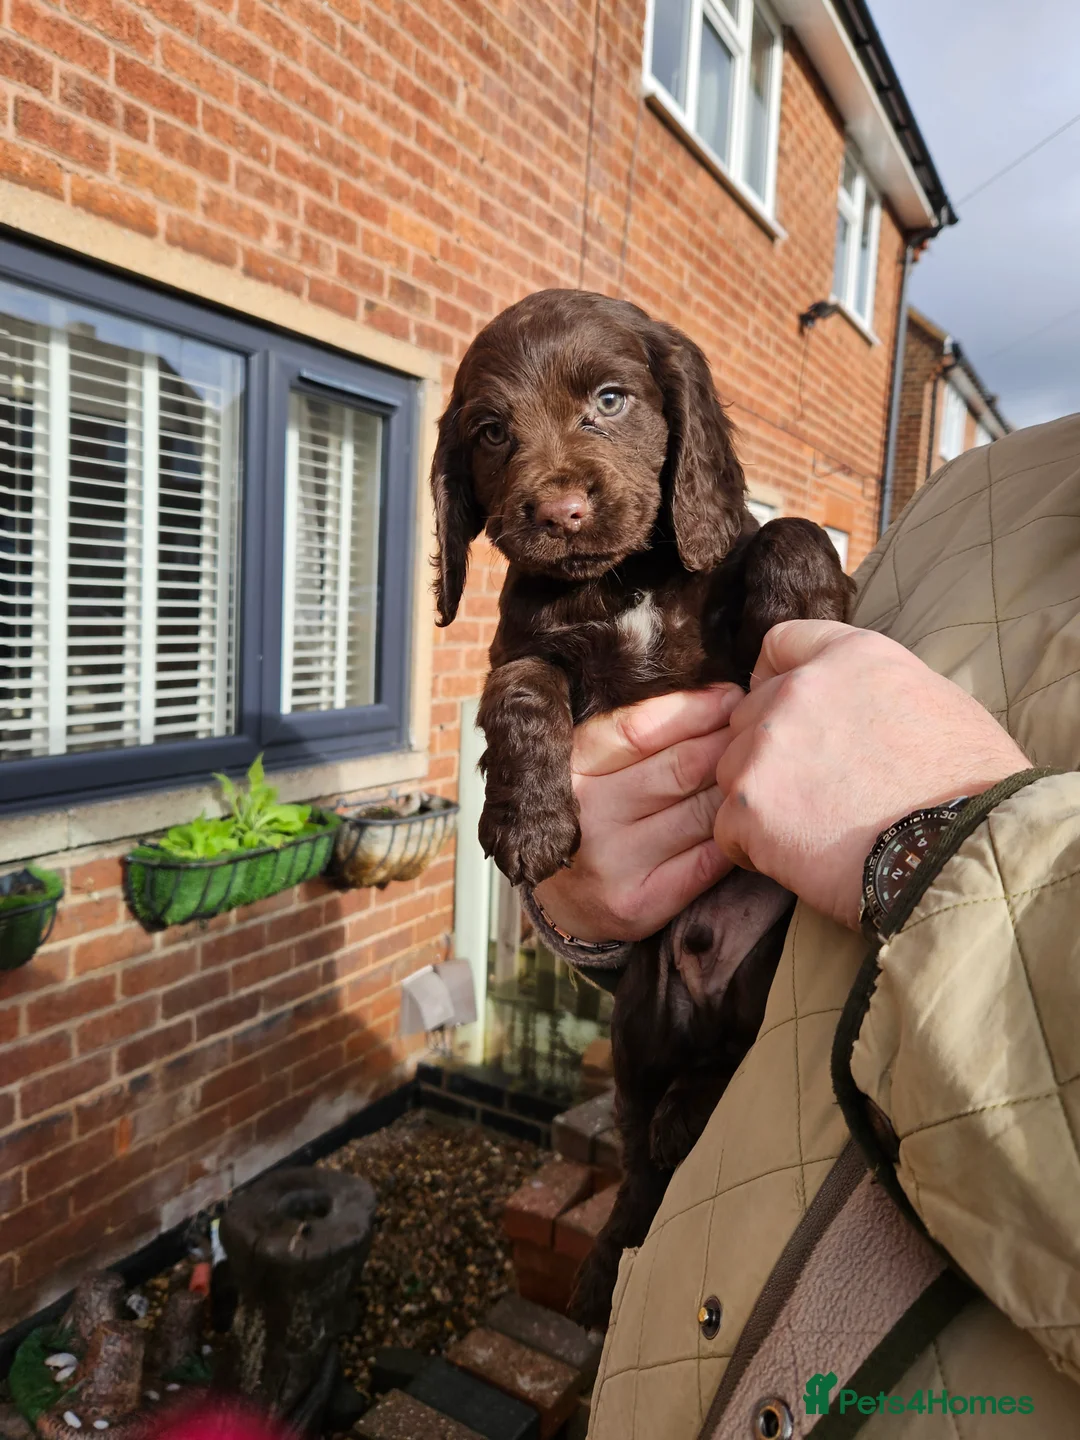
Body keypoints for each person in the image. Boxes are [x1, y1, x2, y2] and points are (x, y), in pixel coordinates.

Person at [528, 412, 1080, 1437]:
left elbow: (891, 864)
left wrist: (941, 846)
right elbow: (797, 881)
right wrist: (598, 895)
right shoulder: (971, 497)